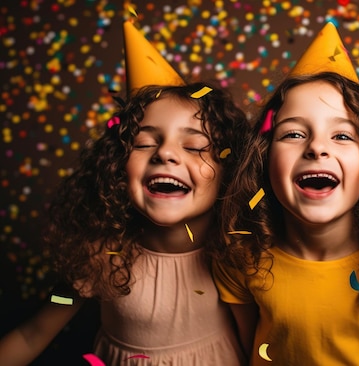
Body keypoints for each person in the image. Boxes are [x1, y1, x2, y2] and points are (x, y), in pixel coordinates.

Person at [0, 20, 249, 366]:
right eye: (145, 143)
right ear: (117, 165)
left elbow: (258, 347)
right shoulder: (100, 252)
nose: (165, 153)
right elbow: (34, 333)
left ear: (230, 171)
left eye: (194, 147)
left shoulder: (236, 253)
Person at [212, 22, 359, 365]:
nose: (316, 147)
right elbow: (244, 350)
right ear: (264, 158)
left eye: (343, 136)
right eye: (294, 134)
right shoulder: (242, 257)